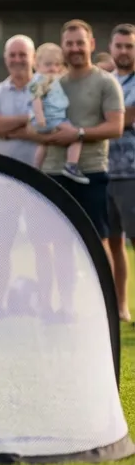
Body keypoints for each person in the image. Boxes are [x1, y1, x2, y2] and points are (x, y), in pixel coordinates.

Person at [25, 20, 124, 323]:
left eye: (80, 42)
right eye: (69, 43)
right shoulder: (52, 80)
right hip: (54, 173)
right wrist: (49, 134)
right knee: (61, 243)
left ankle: (111, 307)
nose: (75, 48)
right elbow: (32, 125)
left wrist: (78, 133)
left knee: (99, 240)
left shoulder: (106, 83)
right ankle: (66, 306)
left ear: (92, 44)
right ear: (63, 45)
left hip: (91, 171)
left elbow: (116, 126)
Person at [0, 34, 48, 319]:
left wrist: (8, 128)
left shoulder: (45, 88)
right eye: (13, 54)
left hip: (40, 180)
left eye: (23, 54)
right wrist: (28, 122)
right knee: (2, 245)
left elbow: (49, 127)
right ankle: (0, 303)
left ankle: (45, 305)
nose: (18, 60)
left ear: (32, 57)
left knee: (42, 245)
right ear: (5, 58)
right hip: (2, 181)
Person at [104, 23, 135, 323]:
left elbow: (123, 118)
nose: (124, 51)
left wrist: (106, 117)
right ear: (111, 48)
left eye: (129, 46)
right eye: (120, 46)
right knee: (113, 243)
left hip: (132, 174)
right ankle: (120, 306)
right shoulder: (106, 81)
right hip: (104, 171)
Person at [28, 43, 88, 183]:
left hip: (52, 118)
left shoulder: (52, 77)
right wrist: (40, 117)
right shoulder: (39, 80)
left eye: (57, 64)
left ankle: (36, 168)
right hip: (51, 119)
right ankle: (71, 165)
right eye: (48, 64)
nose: (53, 68)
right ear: (37, 64)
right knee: (76, 136)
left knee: (43, 145)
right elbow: (36, 99)